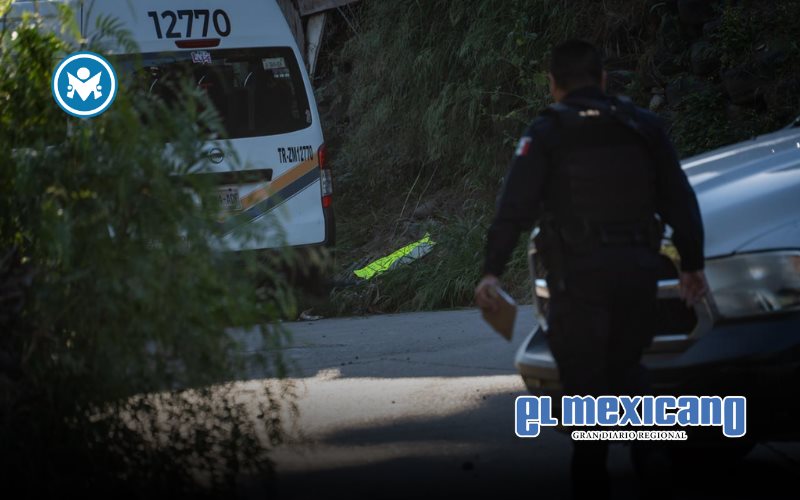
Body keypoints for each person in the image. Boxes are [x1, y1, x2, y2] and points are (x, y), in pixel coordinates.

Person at [474, 40, 707, 499]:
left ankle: (593, 468)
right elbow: (680, 199)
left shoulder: (545, 132)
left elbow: (514, 209)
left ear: (553, 85)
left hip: (578, 277)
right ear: (603, 79)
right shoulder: (644, 126)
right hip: (640, 270)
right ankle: (652, 457)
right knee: (628, 366)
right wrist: (692, 266)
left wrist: (491, 271)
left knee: (584, 384)